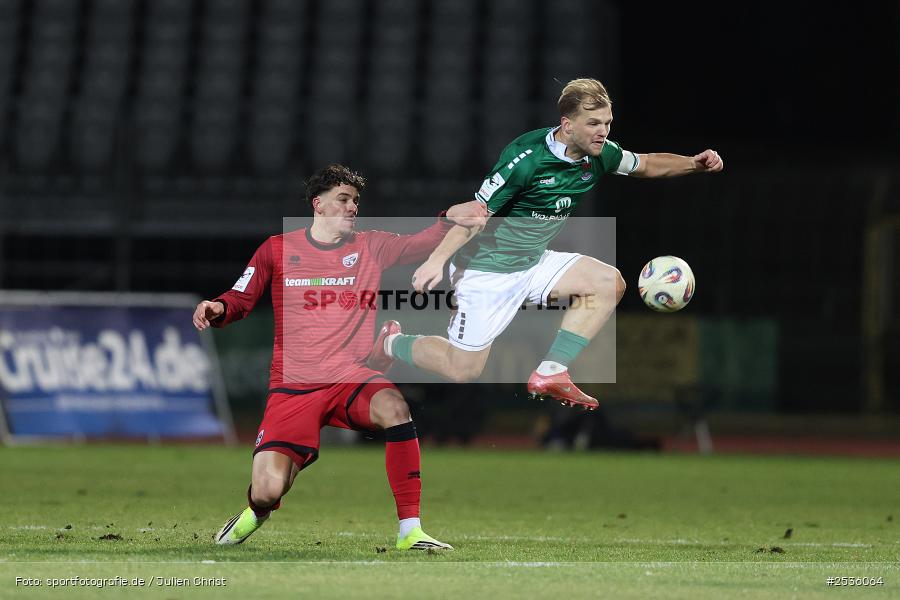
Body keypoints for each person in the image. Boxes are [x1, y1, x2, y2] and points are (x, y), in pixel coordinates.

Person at [370, 78, 723, 410]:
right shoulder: (524, 160)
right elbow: (475, 216)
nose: (603, 132)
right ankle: (391, 342)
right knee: (462, 370)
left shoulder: (600, 154)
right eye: (594, 123)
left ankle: (552, 370)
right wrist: (437, 260)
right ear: (568, 125)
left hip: (534, 262)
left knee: (608, 282)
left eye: (607, 123)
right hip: (485, 270)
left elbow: (645, 164)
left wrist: (692, 164)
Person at [195, 164, 486, 550]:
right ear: (318, 204)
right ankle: (255, 512)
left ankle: (410, 531)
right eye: (343, 200)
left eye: (356, 202)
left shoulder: (371, 245)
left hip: (349, 376)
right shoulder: (276, 249)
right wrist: (218, 308)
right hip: (293, 389)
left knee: (395, 408)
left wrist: (447, 219)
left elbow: (421, 243)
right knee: (267, 490)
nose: (352, 208)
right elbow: (241, 297)